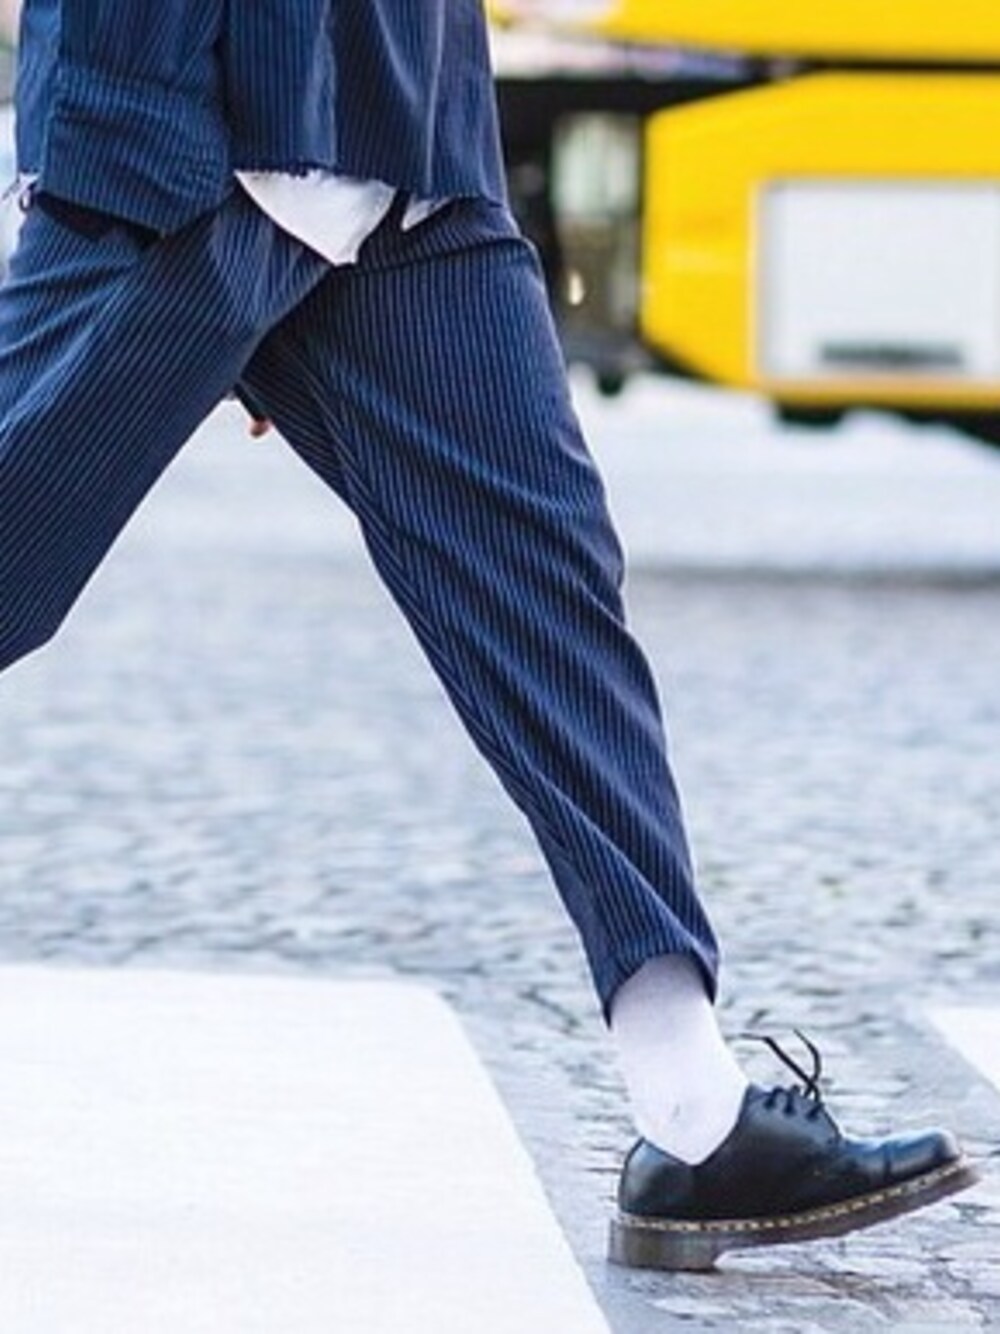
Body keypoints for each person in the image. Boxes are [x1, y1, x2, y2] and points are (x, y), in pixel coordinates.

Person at [0, 0, 976, 1271]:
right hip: (193, 133)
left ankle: (694, 1113)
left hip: (406, 145)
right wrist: (137, 145)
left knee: (547, 586)